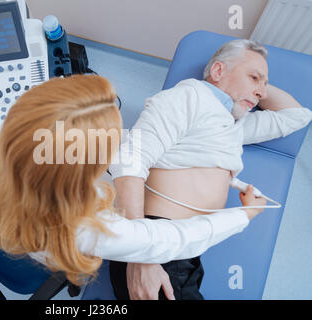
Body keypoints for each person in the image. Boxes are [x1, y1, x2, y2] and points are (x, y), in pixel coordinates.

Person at [0, 74, 265, 287]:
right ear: (82, 172)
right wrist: (242, 216)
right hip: (38, 248)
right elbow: (170, 240)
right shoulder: (88, 229)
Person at [108, 39, 312, 300]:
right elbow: (129, 159)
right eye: (254, 77)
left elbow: (298, 116)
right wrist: (142, 256)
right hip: (155, 241)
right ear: (217, 72)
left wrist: (255, 85)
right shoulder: (190, 96)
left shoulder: (234, 125)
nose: (261, 92)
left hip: (186, 253)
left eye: (263, 83)